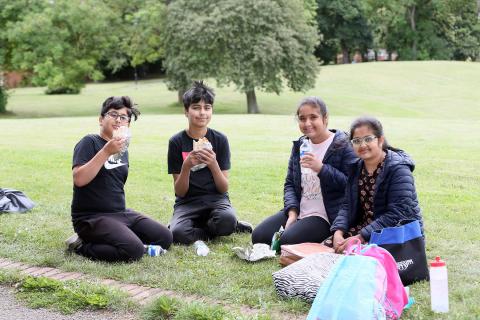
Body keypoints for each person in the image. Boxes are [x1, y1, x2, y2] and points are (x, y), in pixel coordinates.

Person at [66, 96, 172, 262]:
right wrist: (106, 151)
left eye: (123, 117)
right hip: (91, 218)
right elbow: (79, 179)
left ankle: (123, 237)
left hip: (119, 213)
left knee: (165, 237)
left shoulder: (123, 150)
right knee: (134, 251)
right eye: (113, 115)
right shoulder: (89, 142)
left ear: (128, 124)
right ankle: (81, 246)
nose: (118, 120)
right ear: (101, 120)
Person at [251, 97, 357, 246]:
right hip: (300, 210)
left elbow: (351, 186)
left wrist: (321, 168)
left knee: (288, 240)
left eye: (313, 117)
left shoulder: (342, 145)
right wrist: (292, 213)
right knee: (259, 236)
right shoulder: (300, 145)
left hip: (325, 215)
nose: (307, 123)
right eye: (302, 119)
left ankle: (324, 236)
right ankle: (297, 225)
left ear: (325, 119)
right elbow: (290, 184)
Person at [167, 81, 252, 244]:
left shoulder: (220, 140)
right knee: (178, 234)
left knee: (226, 220)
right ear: (186, 111)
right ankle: (219, 227)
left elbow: (223, 187)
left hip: (217, 200)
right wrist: (186, 167)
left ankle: (227, 224)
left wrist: (213, 164)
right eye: (196, 107)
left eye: (207, 107)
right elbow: (180, 192)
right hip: (187, 202)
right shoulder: (176, 142)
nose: (202, 113)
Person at [330, 116, 423, 253]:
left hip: (396, 234)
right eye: (356, 141)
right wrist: (338, 231)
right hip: (366, 230)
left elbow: (397, 214)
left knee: (354, 257)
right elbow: (347, 205)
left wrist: (361, 237)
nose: (362, 145)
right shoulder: (356, 168)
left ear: (380, 140)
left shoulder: (398, 168)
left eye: (368, 139)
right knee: (330, 249)